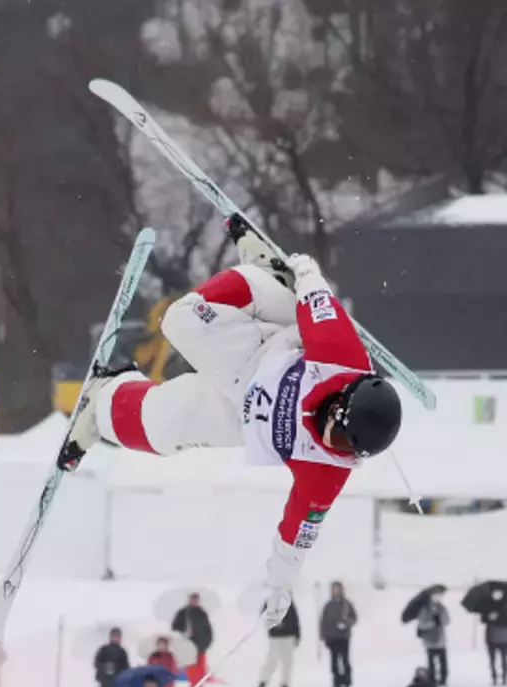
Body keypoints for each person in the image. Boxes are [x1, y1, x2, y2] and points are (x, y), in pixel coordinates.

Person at [58, 214, 402, 629]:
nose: (336, 446)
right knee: (180, 320)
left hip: (247, 419)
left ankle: (102, 404)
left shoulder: (328, 468)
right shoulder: (340, 352)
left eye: (348, 450)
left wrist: (280, 587)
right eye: (341, 436)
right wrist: (304, 272)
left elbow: (296, 535)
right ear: (342, 403)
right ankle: (261, 275)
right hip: (265, 349)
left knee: (166, 427)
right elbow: (314, 294)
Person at [171, 593, 213, 687]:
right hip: (188, 650)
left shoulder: (202, 613)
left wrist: (207, 643)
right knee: (194, 676)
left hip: (201, 649)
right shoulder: (183, 613)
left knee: (200, 675)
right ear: (189, 599)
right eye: (192, 599)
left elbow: (208, 630)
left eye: (196, 599)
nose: (194, 601)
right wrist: (184, 631)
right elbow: (174, 627)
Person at [256, 598, 300, 687]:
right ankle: (263, 681)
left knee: (287, 662)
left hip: (288, 636)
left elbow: (295, 619)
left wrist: (297, 635)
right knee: (271, 660)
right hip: (275, 636)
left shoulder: (289, 602)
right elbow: (264, 616)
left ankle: (285, 683)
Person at [320, 581, 358, 687]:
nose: (336, 591)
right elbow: (323, 622)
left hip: (343, 637)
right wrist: (323, 636)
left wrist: (346, 623)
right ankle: (336, 683)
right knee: (334, 662)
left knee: (345, 660)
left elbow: (354, 618)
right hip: (332, 638)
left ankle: (346, 683)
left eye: (338, 589)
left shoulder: (346, 604)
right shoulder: (328, 605)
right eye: (334, 589)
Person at [416, 593, 449, 687]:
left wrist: (440, 619)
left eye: (438, 597)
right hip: (429, 640)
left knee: (443, 661)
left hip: (441, 640)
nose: (436, 600)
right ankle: (432, 679)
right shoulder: (424, 610)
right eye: (434, 597)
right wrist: (432, 623)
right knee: (431, 662)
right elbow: (421, 624)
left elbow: (447, 621)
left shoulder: (442, 608)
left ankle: (443, 679)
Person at [484, 620, 507, 687]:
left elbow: (483, 619)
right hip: (503, 639)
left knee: (493, 660)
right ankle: (503, 677)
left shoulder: (490, 613)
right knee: (503, 660)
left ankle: (495, 677)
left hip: (493, 639)